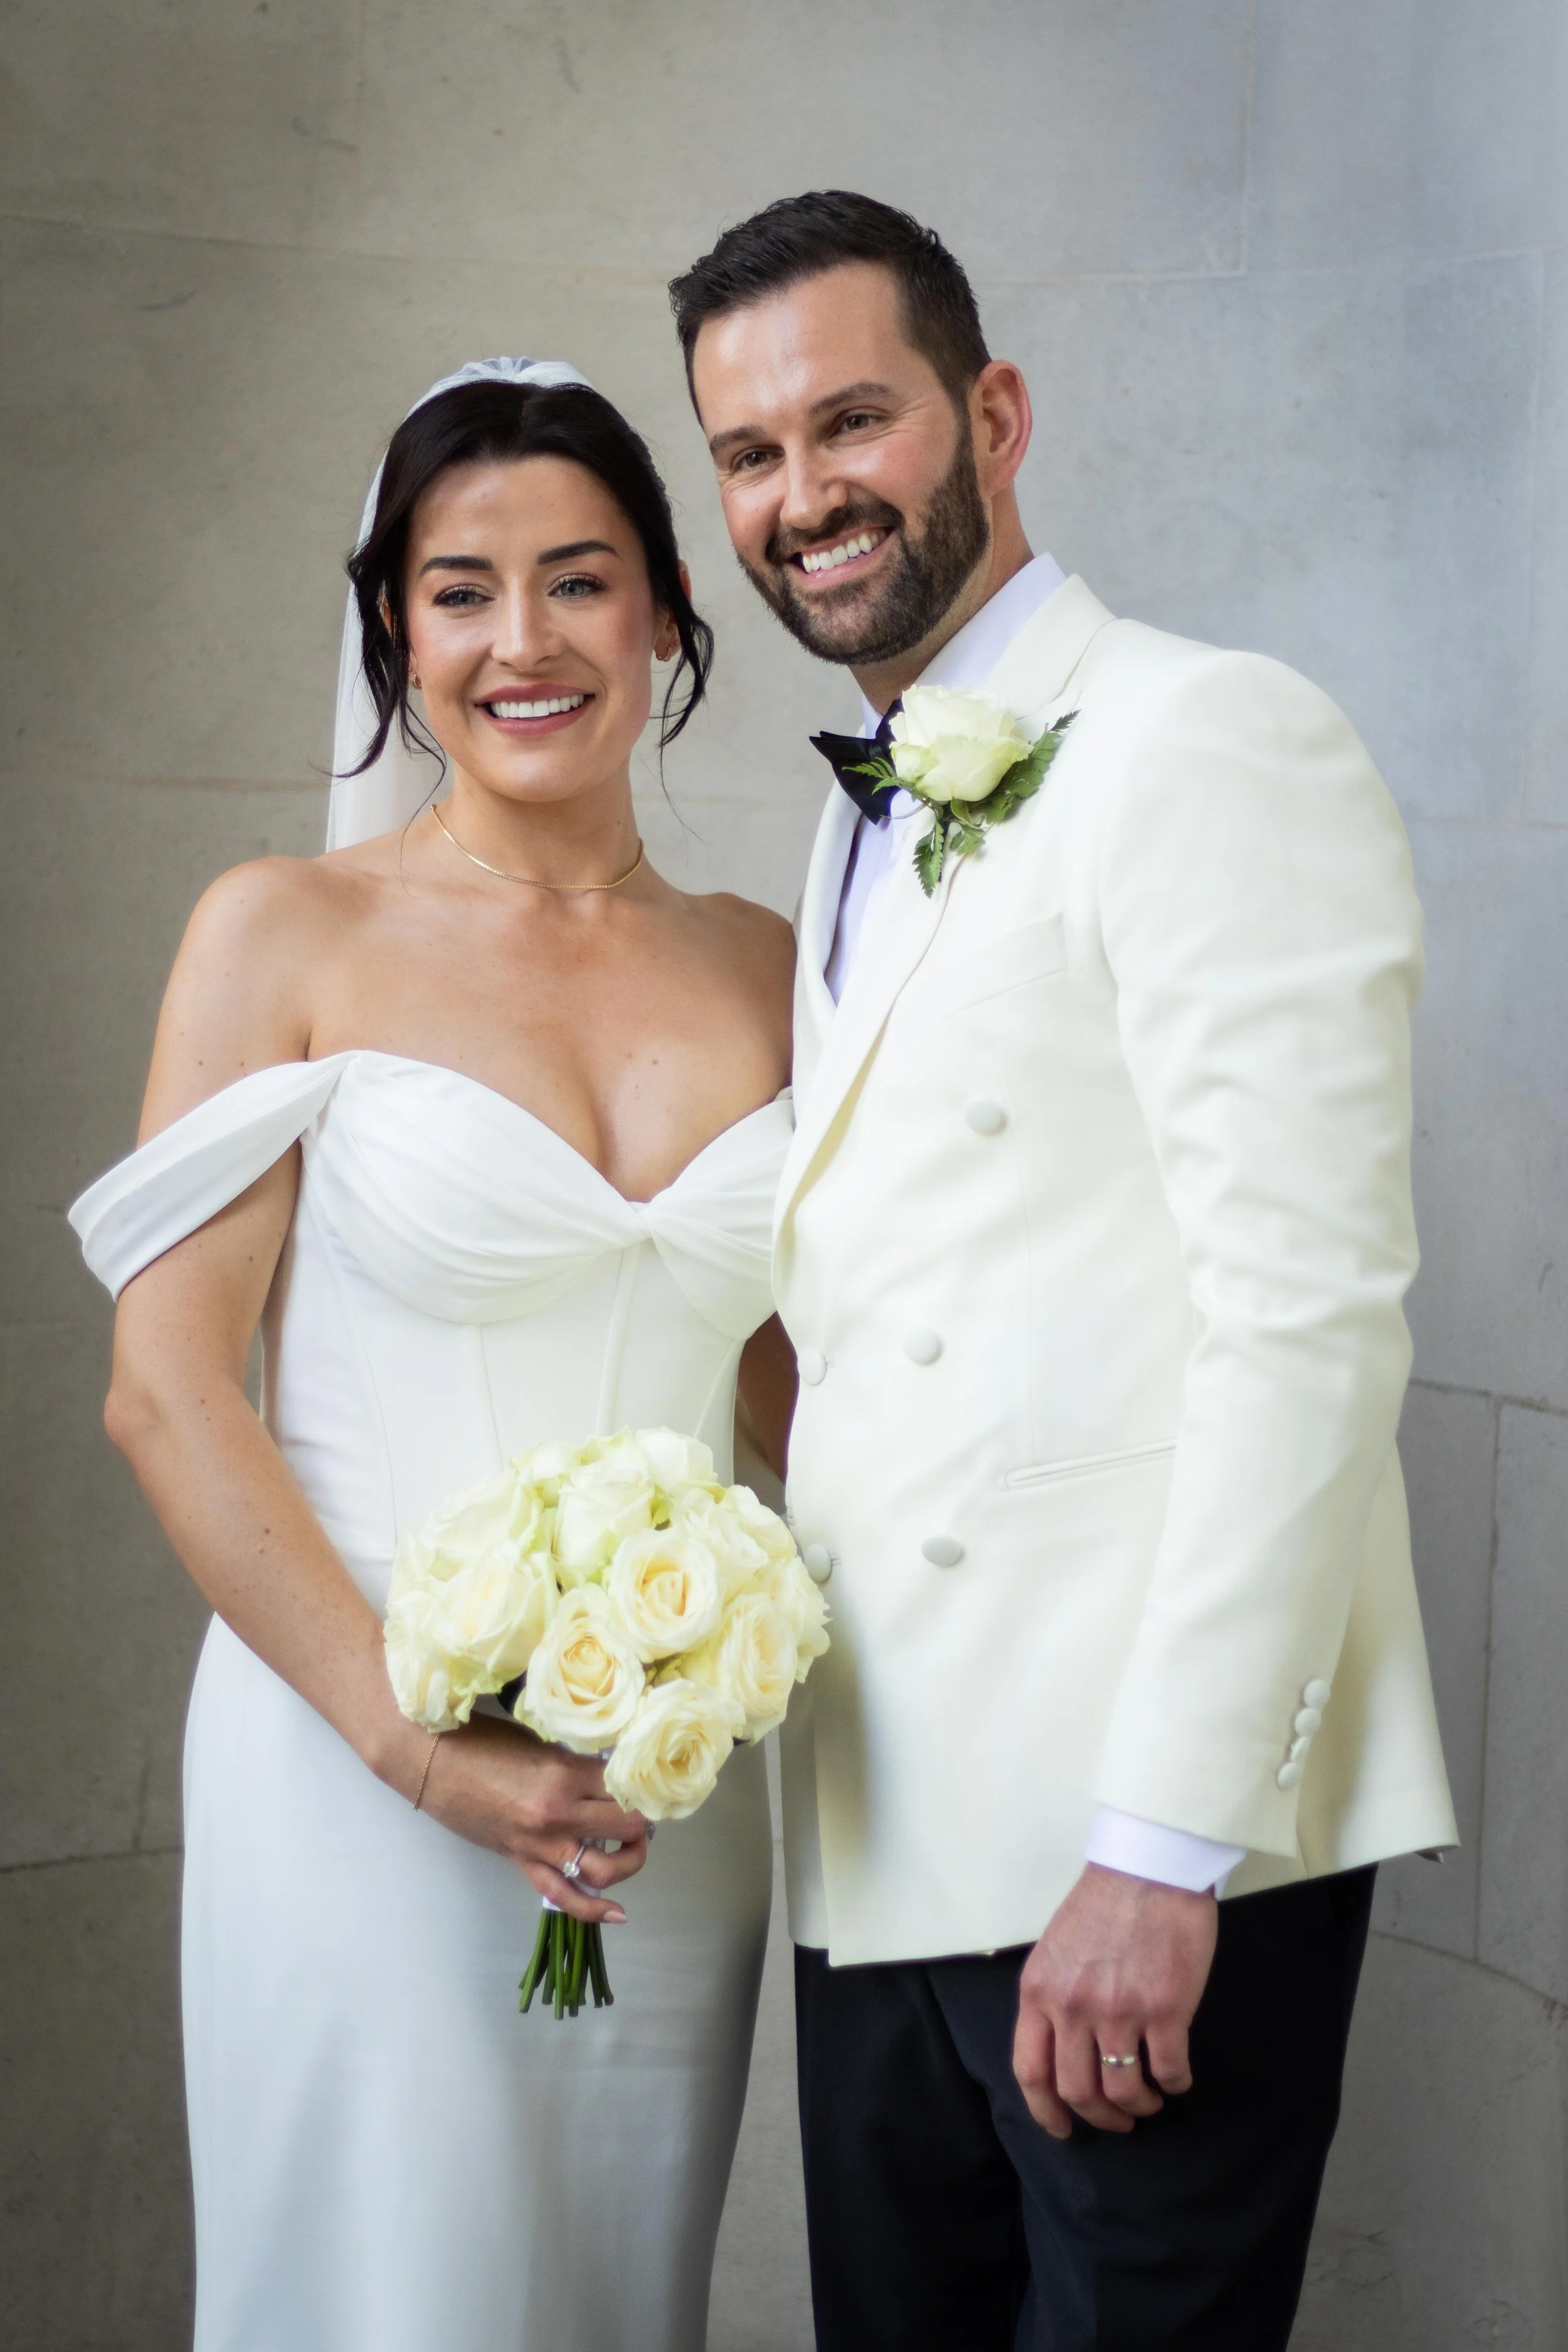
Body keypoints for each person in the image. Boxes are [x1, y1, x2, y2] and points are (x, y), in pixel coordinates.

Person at [670, 193, 1459, 2351]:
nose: (803, 496)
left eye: (853, 421)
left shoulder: (1212, 734)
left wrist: (1158, 1846)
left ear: (990, 414)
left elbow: (1305, 1321)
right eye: (748, 454)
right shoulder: (851, 816)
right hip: (892, 1828)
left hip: (1131, 1853)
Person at [69, 358, 798, 2352]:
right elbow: (168, 1385)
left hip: (669, 1785)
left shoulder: (769, 957)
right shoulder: (284, 931)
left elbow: (798, 1382)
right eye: (459, 589)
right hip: (353, 1761)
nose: (520, 641)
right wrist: (424, 1752)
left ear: (661, 604)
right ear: (393, 624)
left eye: (577, 579)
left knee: (608, 2297)